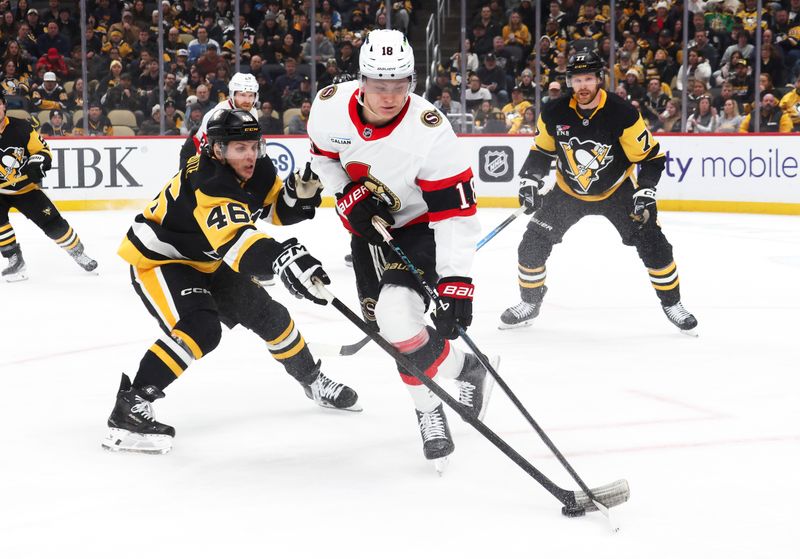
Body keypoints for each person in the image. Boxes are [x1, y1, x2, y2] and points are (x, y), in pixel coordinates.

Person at [102, 109, 357, 454]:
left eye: (254, 145)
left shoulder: (258, 168)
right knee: (200, 329)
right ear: (217, 150)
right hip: (161, 259)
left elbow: (272, 211)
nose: (250, 155)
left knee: (273, 318)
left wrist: (299, 194)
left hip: (206, 259)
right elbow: (236, 241)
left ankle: (312, 381)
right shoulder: (209, 179)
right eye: (240, 148)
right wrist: (281, 257)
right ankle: (129, 408)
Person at [306, 30, 495, 468]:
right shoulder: (330, 106)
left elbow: (455, 215)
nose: (389, 97)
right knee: (393, 331)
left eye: (399, 85)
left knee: (397, 315)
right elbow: (324, 158)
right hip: (370, 230)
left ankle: (429, 412)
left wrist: (456, 282)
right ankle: (466, 371)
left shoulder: (431, 132)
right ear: (361, 81)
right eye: (379, 86)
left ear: (412, 81)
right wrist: (347, 195)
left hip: (423, 226)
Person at [500, 50, 698, 334]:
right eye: (577, 79)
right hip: (568, 191)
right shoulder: (555, 111)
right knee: (531, 246)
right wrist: (529, 179)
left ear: (599, 80)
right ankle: (530, 302)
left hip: (616, 191)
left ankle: (673, 304)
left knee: (653, 243)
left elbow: (651, 158)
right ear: (569, 81)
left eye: (589, 79)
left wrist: (645, 190)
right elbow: (541, 150)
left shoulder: (623, 113)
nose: (583, 86)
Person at [0, 91, 97, 282]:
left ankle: (77, 252)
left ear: (4, 106)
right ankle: (14, 259)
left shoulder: (21, 127)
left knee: (52, 222)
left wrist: (36, 163)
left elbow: (43, 151)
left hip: (25, 189)